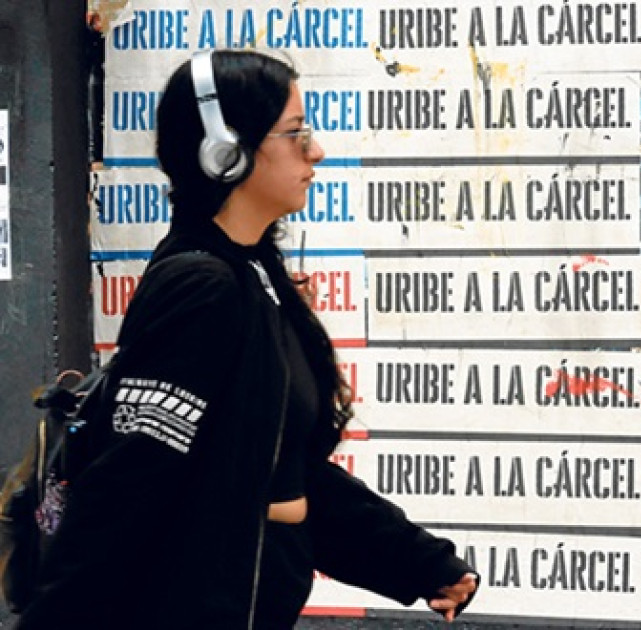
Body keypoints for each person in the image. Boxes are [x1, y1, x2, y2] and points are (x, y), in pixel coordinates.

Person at [15, 49, 478, 629]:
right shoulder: (202, 286)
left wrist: (419, 563)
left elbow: (287, 471)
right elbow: (130, 479)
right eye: (294, 134)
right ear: (225, 153)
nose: (316, 151)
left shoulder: (251, 278)